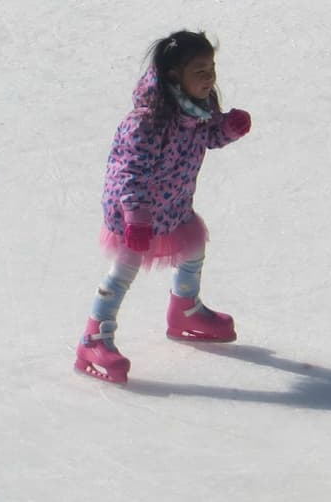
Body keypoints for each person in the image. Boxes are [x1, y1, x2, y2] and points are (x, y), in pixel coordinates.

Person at [75, 30, 252, 384]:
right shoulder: (146, 121)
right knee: (124, 269)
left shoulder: (198, 110)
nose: (210, 78)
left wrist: (229, 128)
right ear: (174, 75)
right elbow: (129, 171)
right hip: (133, 213)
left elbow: (210, 135)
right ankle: (93, 340)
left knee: (194, 249)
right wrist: (136, 216)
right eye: (200, 71)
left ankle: (185, 310)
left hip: (173, 205)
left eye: (211, 68)